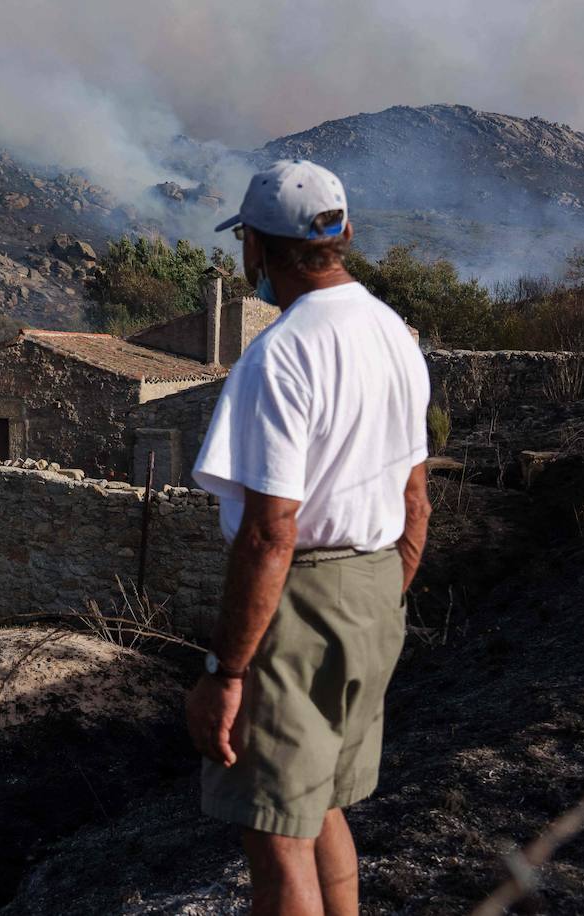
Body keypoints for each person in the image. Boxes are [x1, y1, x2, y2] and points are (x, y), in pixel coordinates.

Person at [186, 159, 432, 916]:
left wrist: (227, 673)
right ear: (343, 234)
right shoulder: (392, 333)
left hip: (300, 607)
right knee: (322, 805)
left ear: (254, 249)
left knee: (276, 840)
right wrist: (382, 601)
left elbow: (270, 532)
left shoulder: (279, 356)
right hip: (373, 594)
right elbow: (416, 498)